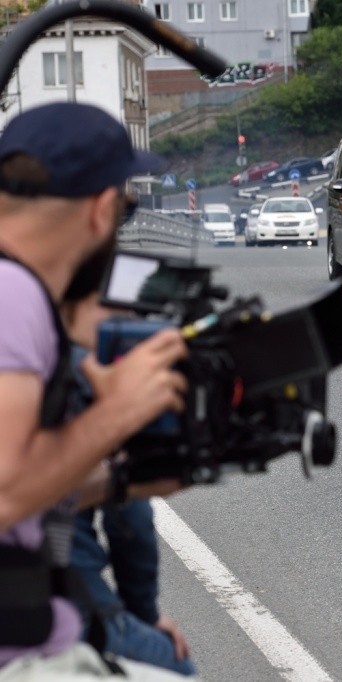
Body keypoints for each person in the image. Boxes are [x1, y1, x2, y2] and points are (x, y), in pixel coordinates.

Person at [0, 102, 192, 680]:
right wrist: (117, 411)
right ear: (104, 208)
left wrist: (116, 481)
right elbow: (5, 495)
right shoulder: (12, 293)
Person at [60, 285, 196, 677]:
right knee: (178, 664)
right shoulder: (88, 378)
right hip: (64, 606)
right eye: (113, 306)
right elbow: (129, 524)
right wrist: (144, 614)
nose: (127, 320)